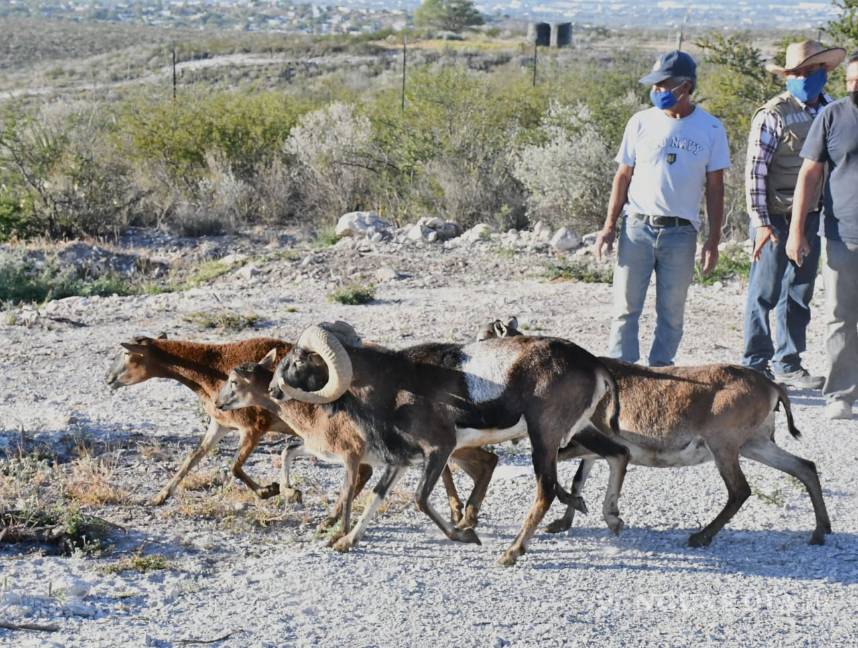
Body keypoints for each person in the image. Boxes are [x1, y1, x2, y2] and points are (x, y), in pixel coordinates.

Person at [594, 50, 729, 366]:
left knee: (672, 312)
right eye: (655, 85)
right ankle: (621, 371)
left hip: (681, 233)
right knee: (626, 308)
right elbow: (623, 175)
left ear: (685, 87)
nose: (657, 91)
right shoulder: (640, 122)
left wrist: (713, 240)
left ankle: (660, 371)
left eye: (663, 85)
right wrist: (609, 226)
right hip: (637, 227)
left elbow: (716, 187)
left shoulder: (711, 129)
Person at [741, 40, 845, 388]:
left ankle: (788, 362)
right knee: (763, 292)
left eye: (807, 72)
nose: (801, 78)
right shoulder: (773, 113)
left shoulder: (832, 110)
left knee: (799, 292)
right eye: (795, 73)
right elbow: (755, 172)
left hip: (814, 215)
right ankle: (755, 365)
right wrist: (761, 224)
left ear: (823, 73)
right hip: (775, 216)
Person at [786, 50, 858, 420]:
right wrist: (796, 230)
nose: (854, 87)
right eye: (850, 81)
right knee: (840, 317)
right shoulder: (832, 116)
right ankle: (841, 394)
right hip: (842, 235)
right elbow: (809, 174)